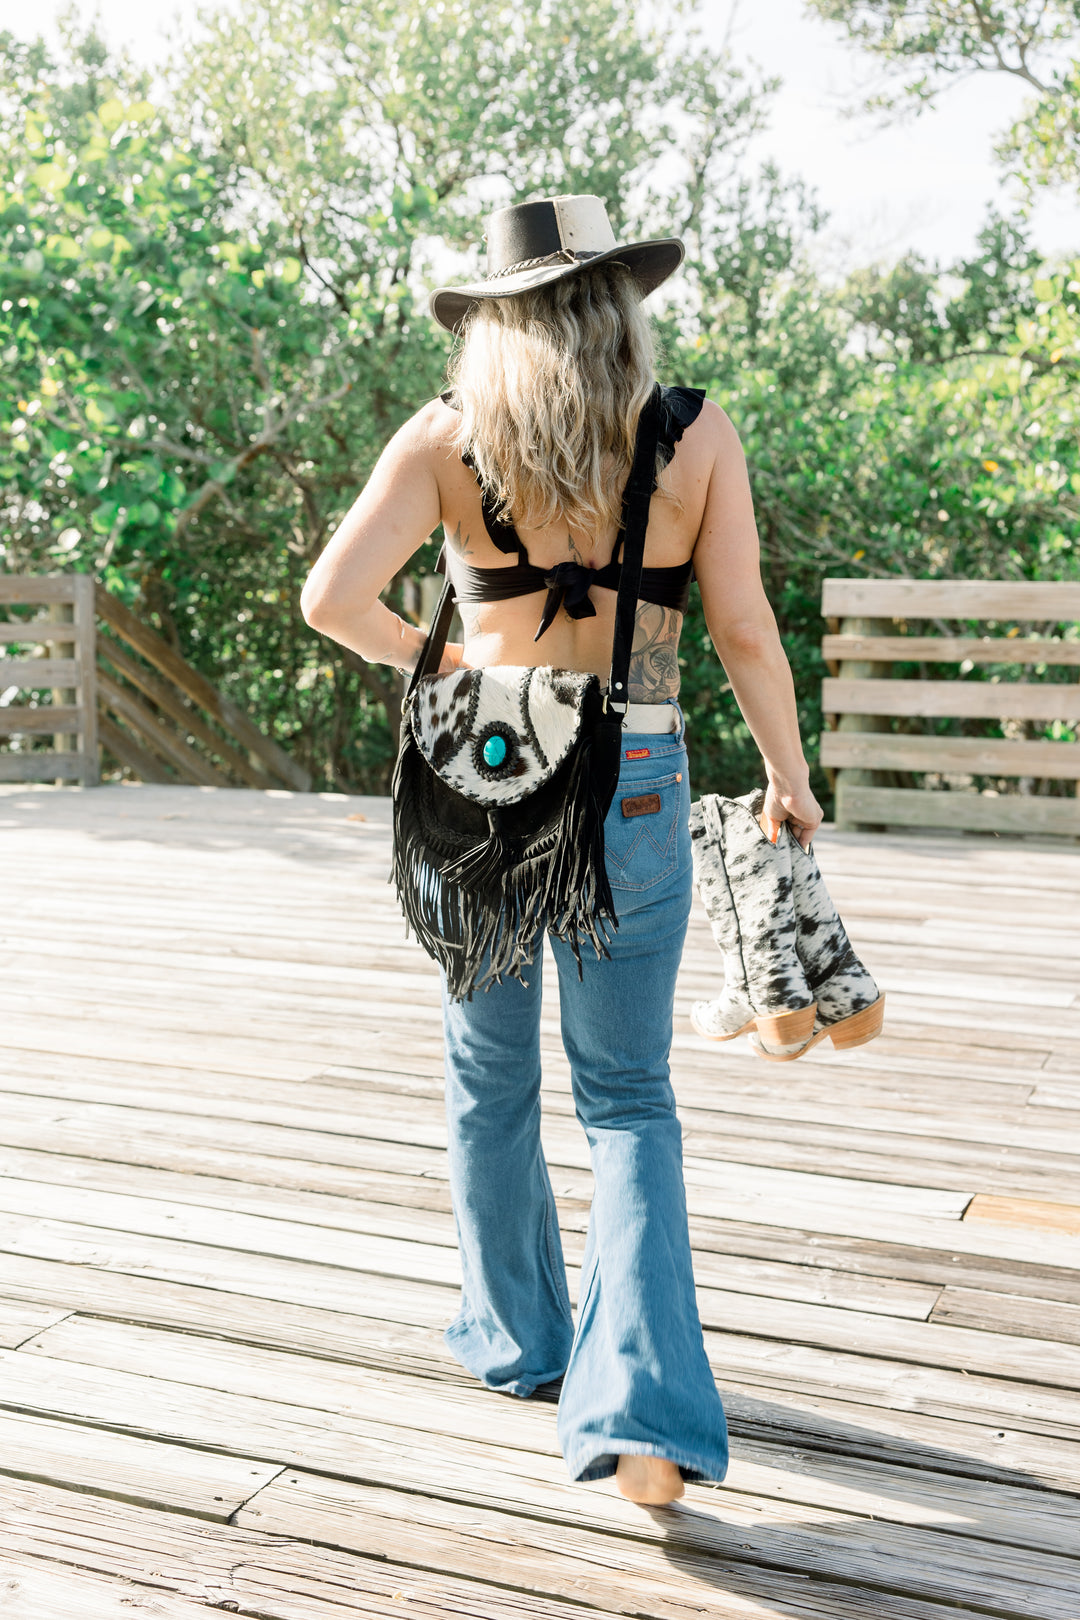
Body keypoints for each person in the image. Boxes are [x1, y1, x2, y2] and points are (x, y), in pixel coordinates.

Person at [300, 193, 823, 1506]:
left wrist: (445, 665)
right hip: (636, 766)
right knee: (629, 1096)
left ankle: (520, 1342)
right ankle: (641, 1414)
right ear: (620, 308)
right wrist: (788, 775)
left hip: (484, 763)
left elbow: (331, 599)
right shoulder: (696, 435)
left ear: (494, 322)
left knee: (488, 1075)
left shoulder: (446, 437)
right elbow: (744, 629)